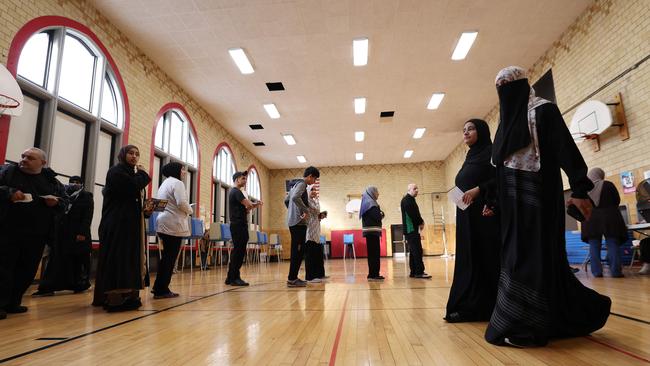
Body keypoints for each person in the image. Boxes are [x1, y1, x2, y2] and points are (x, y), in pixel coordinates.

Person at [485, 66, 611, 347]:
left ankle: (525, 327)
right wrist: (493, 201)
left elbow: (567, 149)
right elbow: (499, 166)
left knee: (535, 258)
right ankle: (530, 319)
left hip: (538, 202)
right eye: (499, 88)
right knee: (514, 259)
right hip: (511, 209)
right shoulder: (505, 124)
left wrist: (579, 188)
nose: (505, 93)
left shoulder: (543, 111)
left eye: (508, 86)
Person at [445, 119, 500, 323]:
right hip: (467, 215)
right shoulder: (471, 156)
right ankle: (470, 304)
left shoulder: (491, 152)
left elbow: (500, 178)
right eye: (464, 129)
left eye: (471, 129)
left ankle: (488, 306)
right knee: (470, 259)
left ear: (482, 131)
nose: (466, 132)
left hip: (485, 214)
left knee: (485, 258)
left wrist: (480, 190)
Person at [0, 148, 66, 319]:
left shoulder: (51, 181)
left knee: (27, 269)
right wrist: (9, 193)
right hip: (8, 230)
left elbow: (64, 202)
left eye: (30, 157)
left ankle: (14, 302)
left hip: (37, 234)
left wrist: (55, 203)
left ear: (42, 163)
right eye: (23, 156)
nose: (24, 159)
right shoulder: (7, 172)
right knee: (4, 267)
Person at [93, 145, 151, 312]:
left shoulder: (132, 175)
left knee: (132, 260)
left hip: (132, 225)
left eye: (137, 154)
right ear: (123, 155)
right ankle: (114, 298)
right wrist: (144, 174)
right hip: (117, 224)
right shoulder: (116, 172)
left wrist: (146, 212)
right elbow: (131, 187)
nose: (134, 157)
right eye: (131, 153)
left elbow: (134, 199)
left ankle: (130, 295)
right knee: (118, 259)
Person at [34, 175, 94, 296]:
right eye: (72, 182)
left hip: (78, 234)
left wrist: (82, 233)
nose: (73, 184)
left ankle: (79, 284)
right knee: (57, 260)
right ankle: (49, 286)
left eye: (77, 182)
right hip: (63, 233)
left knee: (78, 261)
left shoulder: (86, 196)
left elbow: (87, 216)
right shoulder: (63, 195)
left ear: (81, 184)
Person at [152, 162, 193, 298]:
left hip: (163, 222)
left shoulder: (164, 184)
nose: (184, 172)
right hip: (173, 225)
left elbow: (160, 205)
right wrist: (190, 210)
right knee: (170, 258)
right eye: (182, 169)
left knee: (166, 257)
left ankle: (159, 286)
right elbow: (181, 202)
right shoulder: (177, 183)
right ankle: (161, 289)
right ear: (176, 170)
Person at [581, 168, 627, 278]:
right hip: (610, 218)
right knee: (612, 243)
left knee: (594, 245)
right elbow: (616, 200)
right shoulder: (608, 185)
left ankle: (597, 272)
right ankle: (616, 272)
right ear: (601, 175)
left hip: (590, 220)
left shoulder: (583, 188)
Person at [226, 171, 262, 286]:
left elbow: (246, 209)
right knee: (239, 251)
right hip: (238, 225)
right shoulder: (237, 192)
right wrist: (254, 204)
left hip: (237, 224)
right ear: (237, 180)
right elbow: (248, 205)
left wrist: (254, 204)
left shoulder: (235, 192)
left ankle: (230, 277)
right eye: (243, 179)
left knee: (237, 251)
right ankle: (235, 278)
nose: (245, 181)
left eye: (246, 179)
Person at [286, 166, 320, 287]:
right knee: (298, 252)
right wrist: (304, 210)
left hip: (294, 221)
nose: (314, 182)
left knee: (297, 251)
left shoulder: (295, 185)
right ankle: (292, 279)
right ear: (310, 176)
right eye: (314, 179)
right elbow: (295, 198)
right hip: (298, 223)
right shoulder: (301, 184)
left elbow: (287, 200)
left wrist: (292, 212)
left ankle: (293, 278)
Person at [400, 184, 431, 279]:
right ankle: (419, 272)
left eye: (417, 188)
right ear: (409, 190)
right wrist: (421, 222)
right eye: (414, 189)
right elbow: (414, 214)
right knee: (417, 250)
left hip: (412, 229)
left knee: (414, 252)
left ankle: (413, 272)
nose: (417, 190)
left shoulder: (409, 199)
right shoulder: (407, 200)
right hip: (411, 229)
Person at [361, 186, 385, 281]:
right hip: (372, 232)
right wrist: (381, 214)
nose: (378, 193)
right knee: (374, 254)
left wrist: (380, 213)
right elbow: (378, 216)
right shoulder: (371, 203)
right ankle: (374, 274)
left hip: (370, 232)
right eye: (377, 191)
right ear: (372, 192)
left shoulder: (367, 202)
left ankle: (372, 274)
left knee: (372, 254)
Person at [305, 184, 325, 283]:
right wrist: (317, 200)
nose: (314, 191)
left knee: (316, 253)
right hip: (310, 230)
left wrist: (321, 216)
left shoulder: (313, 201)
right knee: (310, 254)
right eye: (312, 189)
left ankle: (318, 274)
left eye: (315, 189)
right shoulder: (308, 200)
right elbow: (316, 210)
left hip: (316, 228)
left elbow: (317, 213)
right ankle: (310, 277)